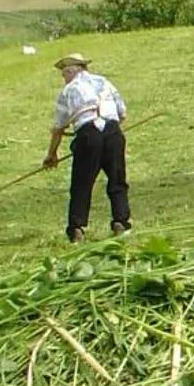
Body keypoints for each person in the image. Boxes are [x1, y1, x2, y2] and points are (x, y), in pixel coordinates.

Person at [43, 53, 131, 243]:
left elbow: (58, 128)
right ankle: (121, 222)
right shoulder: (104, 82)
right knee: (117, 179)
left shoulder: (68, 91)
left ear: (71, 71)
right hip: (113, 132)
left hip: (88, 135)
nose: (63, 78)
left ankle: (77, 228)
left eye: (63, 74)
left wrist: (51, 155)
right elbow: (122, 113)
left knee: (81, 184)